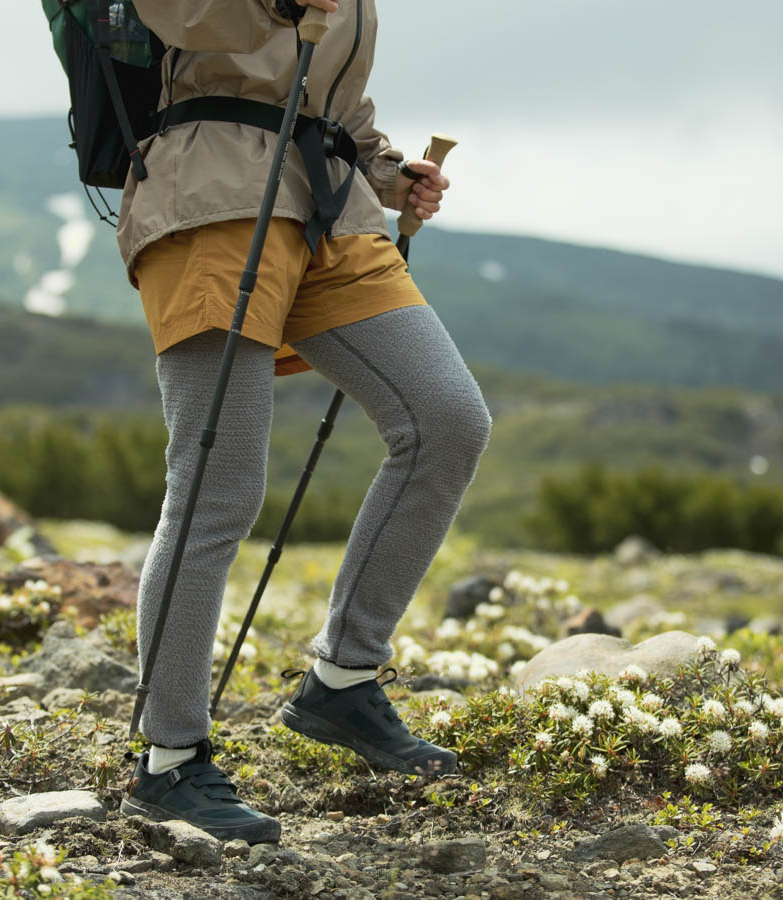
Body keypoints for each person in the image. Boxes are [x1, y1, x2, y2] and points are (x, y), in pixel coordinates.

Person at [115, 0, 492, 844]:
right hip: (209, 194)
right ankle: (168, 756)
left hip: (331, 206)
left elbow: (337, 98)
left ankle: (344, 681)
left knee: (448, 420)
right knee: (219, 484)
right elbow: (184, 19)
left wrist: (388, 172)